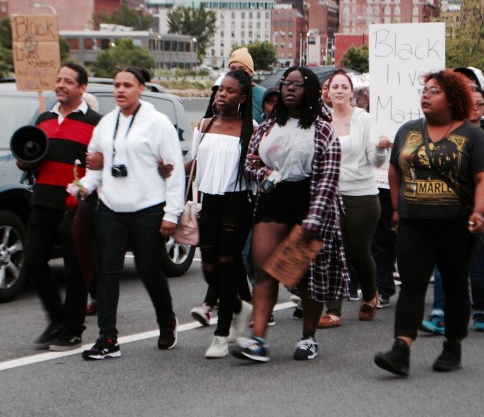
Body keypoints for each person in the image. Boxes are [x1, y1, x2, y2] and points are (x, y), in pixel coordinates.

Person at [374, 69, 484, 376]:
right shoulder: (408, 130)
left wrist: (479, 212)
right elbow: (394, 171)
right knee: (413, 285)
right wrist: (399, 208)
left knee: (455, 286)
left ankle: (453, 345)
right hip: (414, 223)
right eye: (424, 90)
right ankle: (401, 349)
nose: (426, 95)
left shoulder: (472, 135)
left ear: (452, 99)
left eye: (435, 91)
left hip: (456, 224)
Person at [229, 66, 349, 362]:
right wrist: (265, 172)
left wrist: (313, 221)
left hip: (308, 206)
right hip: (273, 201)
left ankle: (309, 338)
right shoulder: (268, 126)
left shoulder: (322, 129)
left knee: (308, 277)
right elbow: (249, 165)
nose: (290, 89)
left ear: (309, 91)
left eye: (298, 84)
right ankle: (258, 341)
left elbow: (327, 181)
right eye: (286, 84)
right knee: (265, 271)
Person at [79, 67, 185, 360]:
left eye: (127, 85)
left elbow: (174, 171)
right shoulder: (105, 124)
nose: (120, 90)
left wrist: (171, 214)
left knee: (149, 270)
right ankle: (108, 338)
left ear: (141, 87)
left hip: (147, 208)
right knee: (108, 272)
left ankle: (167, 322)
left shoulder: (158, 123)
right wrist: (83, 187)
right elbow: (95, 168)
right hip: (111, 208)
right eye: (116, 85)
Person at [20, 63, 101, 351]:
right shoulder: (42, 119)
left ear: (82, 88)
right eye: (58, 80)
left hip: (76, 204)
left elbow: (101, 163)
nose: (61, 85)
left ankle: (72, 328)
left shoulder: (95, 123)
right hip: (42, 199)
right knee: (32, 259)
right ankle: (56, 319)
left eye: (68, 81)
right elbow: (28, 157)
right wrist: (24, 157)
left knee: (74, 268)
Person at [421, 88, 484, 335]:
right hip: (445, 206)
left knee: (477, 261)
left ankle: (480, 312)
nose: (476, 108)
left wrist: (479, 208)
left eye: (480, 104)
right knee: (442, 261)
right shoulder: (442, 130)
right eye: (471, 104)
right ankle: (439, 313)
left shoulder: (482, 133)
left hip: (475, 205)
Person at [190, 69, 255, 358]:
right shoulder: (204, 125)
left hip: (237, 202)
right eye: (219, 90)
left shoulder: (250, 128)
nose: (222, 95)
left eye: (229, 91)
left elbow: (256, 170)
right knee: (209, 267)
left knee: (228, 263)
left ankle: (221, 333)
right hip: (209, 203)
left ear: (242, 97)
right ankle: (241, 306)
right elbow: (193, 166)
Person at [318, 70, 391, 328]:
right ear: (327, 92)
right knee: (332, 254)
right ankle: (334, 311)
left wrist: (381, 148)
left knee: (360, 252)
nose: (338, 90)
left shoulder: (364, 119)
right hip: (330, 195)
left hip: (362, 195)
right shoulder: (321, 121)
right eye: (334, 86)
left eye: (343, 86)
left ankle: (370, 295)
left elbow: (375, 160)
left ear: (351, 92)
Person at [228, 47, 266, 123]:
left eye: (241, 69)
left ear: (251, 72)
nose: (237, 72)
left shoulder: (263, 95)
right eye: (233, 68)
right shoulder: (223, 93)